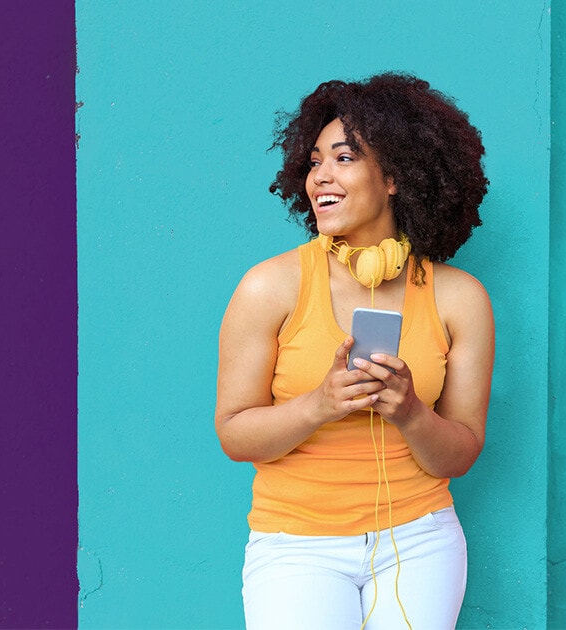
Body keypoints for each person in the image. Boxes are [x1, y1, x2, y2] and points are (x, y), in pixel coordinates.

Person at [215, 72, 494, 630]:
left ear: (395, 176)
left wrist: (410, 411)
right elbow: (234, 435)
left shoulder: (460, 298)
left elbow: (458, 456)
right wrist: (321, 403)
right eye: (315, 161)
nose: (321, 176)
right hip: (296, 545)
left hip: (419, 543)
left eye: (344, 158)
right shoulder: (268, 287)